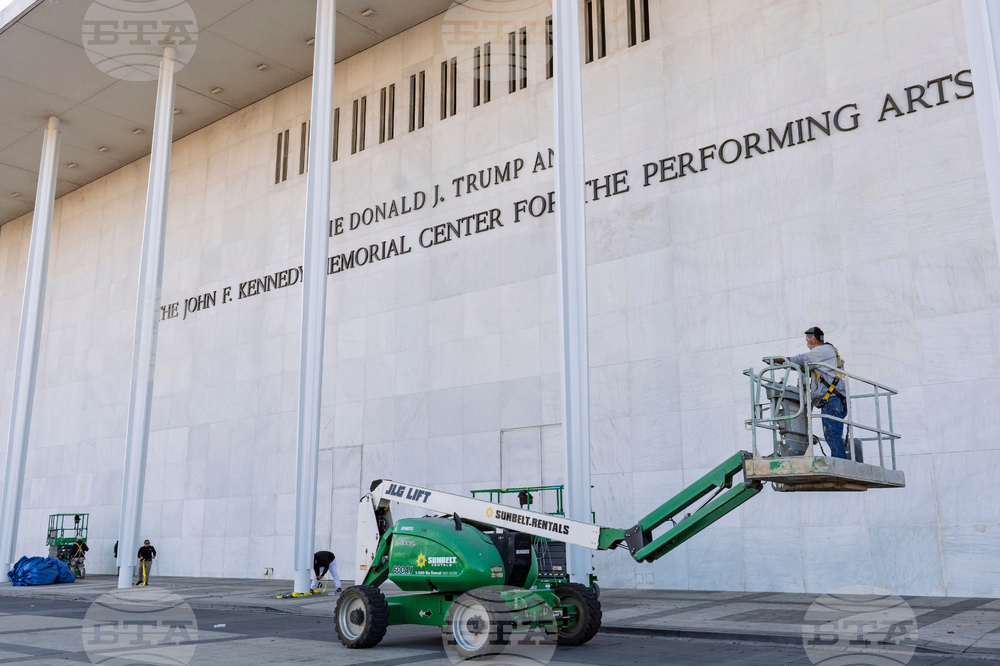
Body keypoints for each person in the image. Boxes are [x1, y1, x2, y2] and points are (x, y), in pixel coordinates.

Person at [771, 327, 849, 459]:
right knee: (833, 434)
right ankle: (840, 461)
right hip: (836, 399)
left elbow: (800, 359)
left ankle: (841, 464)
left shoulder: (821, 350)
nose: (806, 343)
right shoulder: (829, 351)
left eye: (807, 340)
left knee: (832, 433)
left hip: (832, 399)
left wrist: (776, 361)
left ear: (813, 339)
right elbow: (807, 367)